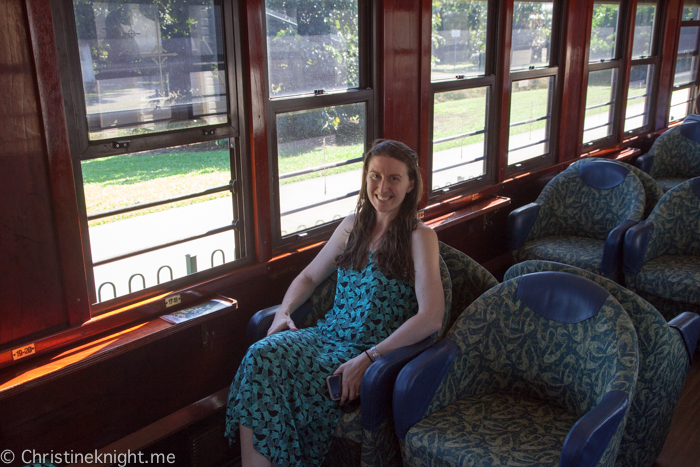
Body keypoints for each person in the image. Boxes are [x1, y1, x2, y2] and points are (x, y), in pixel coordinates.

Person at [224, 140, 445, 467]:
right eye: (375, 176)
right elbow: (310, 278)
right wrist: (282, 314)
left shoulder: (420, 237)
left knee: (273, 380)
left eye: (394, 178)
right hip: (325, 337)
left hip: (372, 347)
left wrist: (368, 358)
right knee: (260, 356)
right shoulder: (351, 226)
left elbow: (431, 317)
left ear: (411, 184)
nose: (382, 187)